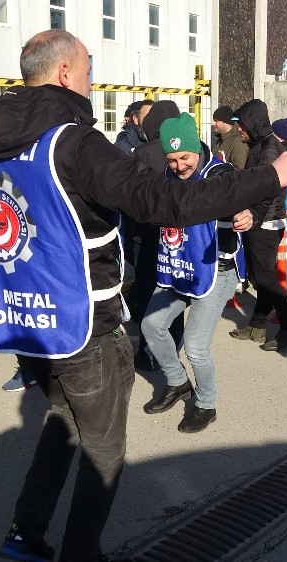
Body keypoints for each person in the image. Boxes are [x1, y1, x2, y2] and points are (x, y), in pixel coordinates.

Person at [0, 30, 287, 562]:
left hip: (25, 325)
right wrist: (270, 175)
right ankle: (80, 553)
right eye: (87, 69)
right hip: (85, 322)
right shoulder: (73, 141)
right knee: (103, 449)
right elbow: (168, 202)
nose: (90, 82)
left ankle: (25, 534)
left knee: (64, 422)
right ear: (65, 72)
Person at [140, 113, 251, 433]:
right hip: (179, 265)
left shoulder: (219, 172)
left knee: (196, 345)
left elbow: (242, 197)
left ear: (196, 151)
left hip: (216, 267)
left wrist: (246, 214)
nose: (179, 166)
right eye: (172, 159)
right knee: (151, 325)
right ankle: (177, 383)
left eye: (185, 157)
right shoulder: (167, 175)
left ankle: (206, 403)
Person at [228, 99, 287, 351]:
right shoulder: (261, 145)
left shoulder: (268, 149)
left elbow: (269, 191)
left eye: (242, 124)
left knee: (264, 278)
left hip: (265, 223)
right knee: (264, 275)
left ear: (253, 123)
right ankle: (258, 325)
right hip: (264, 220)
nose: (239, 129)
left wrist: (253, 218)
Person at [127, 100, 185, 372]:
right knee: (175, 294)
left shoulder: (143, 152)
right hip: (181, 239)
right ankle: (173, 346)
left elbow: (132, 199)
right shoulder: (192, 149)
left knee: (149, 292)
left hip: (149, 237)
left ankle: (147, 352)